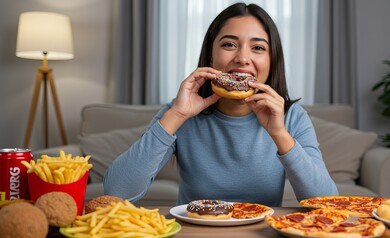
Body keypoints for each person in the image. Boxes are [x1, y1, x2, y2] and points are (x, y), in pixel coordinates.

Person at [104, 2, 338, 207]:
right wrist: (176, 115)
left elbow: (327, 203)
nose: (243, 58)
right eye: (229, 45)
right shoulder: (179, 112)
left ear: (272, 61)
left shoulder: (292, 117)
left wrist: (279, 134)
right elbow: (116, 192)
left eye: (258, 48)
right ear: (210, 57)